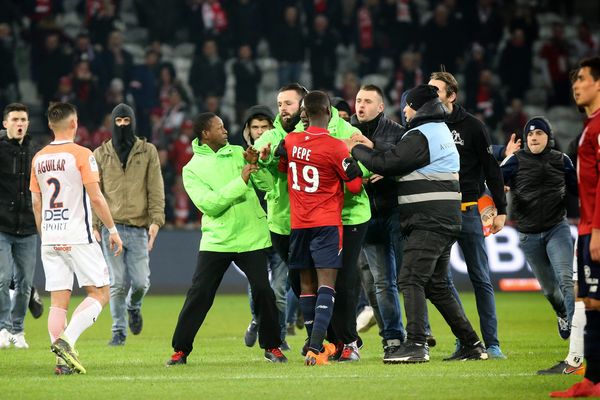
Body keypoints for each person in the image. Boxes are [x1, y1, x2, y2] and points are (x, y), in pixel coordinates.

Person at [348, 84, 488, 363]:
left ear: (419, 107)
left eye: (408, 106)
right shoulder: (438, 131)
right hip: (442, 218)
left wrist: (356, 150)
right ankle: (472, 344)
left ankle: (415, 343)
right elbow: (399, 157)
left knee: (410, 278)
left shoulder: (421, 134)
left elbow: (390, 163)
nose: (405, 111)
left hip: (429, 220)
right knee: (436, 284)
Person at [166, 112, 286, 366]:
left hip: (251, 236)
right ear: (205, 134)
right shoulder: (192, 169)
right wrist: (241, 179)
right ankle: (180, 350)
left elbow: (266, 187)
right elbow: (210, 205)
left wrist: (259, 165)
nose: (225, 130)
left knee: (264, 290)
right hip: (218, 240)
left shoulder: (237, 152)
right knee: (200, 293)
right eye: (219, 127)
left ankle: (272, 346)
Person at [30, 102, 123, 375]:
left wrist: (44, 233)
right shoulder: (82, 154)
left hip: (49, 236)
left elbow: (36, 202)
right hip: (77, 235)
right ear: (75, 123)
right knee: (101, 292)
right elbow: (95, 196)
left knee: (59, 301)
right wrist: (113, 230)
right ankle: (67, 341)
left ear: (49, 124)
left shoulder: (38, 158)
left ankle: (62, 364)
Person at [274, 91, 363, 366]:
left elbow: (280, 166)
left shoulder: (290, 140)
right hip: (326, 224)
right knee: (328, 284)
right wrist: (349, 156)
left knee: (306, 285)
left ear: (305, 113)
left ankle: (314, 343)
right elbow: (355, 186)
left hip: (298, 224)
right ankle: (315, 348)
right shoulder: (336, 147)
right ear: (327, 111)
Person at [428, 71, 507, 359]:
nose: (431, 95)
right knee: (440, 281)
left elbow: (491, 168)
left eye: (436, 90)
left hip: (470, 210)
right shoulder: (425, 126)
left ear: (451, 95)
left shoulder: (473, 126)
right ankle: (466, 341)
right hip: (438, 212)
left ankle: (493, 343)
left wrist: (501, 209)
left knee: (480, 278)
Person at [93, 103, 165, 346]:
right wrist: (95, 224)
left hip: (138, 228)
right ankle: (118, 332)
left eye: (126, 121)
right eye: (119, 121)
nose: (122, 125)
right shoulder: (100, 154)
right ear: (112, 123)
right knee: (117, 283)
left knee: (141, 282)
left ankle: (134, 307)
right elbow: (95, 194)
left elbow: (155, 189)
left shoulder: (148, 152)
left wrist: (156, 221)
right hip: (111, 228)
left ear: (133, 122)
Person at [551, 56, 600, 397]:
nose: (576, 85)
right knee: (590, 302)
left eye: (582, 78)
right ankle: (591, 380)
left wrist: (598, 230)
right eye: (574, 80)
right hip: (585, 228)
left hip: (595, 229)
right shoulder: (590, 127)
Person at [501, 117, 576, 339]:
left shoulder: (562, 160)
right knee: (550, 290)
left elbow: (578, 189)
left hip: (557, 228)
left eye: (539, 134)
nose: (533, 137)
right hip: (528, 234)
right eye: (530, 134)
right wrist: (497, 200)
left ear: (548, 137)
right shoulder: (513, 161)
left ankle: (576, 338)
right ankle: (561, 312)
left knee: (565, 279)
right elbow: (493, 184)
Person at [350, 85, 407, 360]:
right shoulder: (347, 133)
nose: (360, 106)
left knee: (410, 279)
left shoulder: (397, 132)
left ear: (380, 107)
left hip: (395, 213)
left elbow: (408, 163)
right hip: (366, 216)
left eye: (367, 101)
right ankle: (393, 338)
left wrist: (388, 170)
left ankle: (420, 333)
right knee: (381, 283)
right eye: (358, 100)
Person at [240, 105, 290, 351]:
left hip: (279, 226)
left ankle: (279, 338)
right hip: (254, 230)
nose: (259, 132)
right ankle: (257, 319)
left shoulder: (279, 156)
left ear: (272, 129)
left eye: (264, 127)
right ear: (247, 131)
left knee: (279, 289)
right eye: (255, 127)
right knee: (259, 285)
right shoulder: (239, 157)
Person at [0, 103, 38, 349]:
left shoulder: (36, 151)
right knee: (2, 279)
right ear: (5, 124)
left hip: (28, 228)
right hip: (2, 226)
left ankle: (17, 330)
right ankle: (3, 328)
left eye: (23, 119)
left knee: (24, 284)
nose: (19, 123)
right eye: (14, 119)